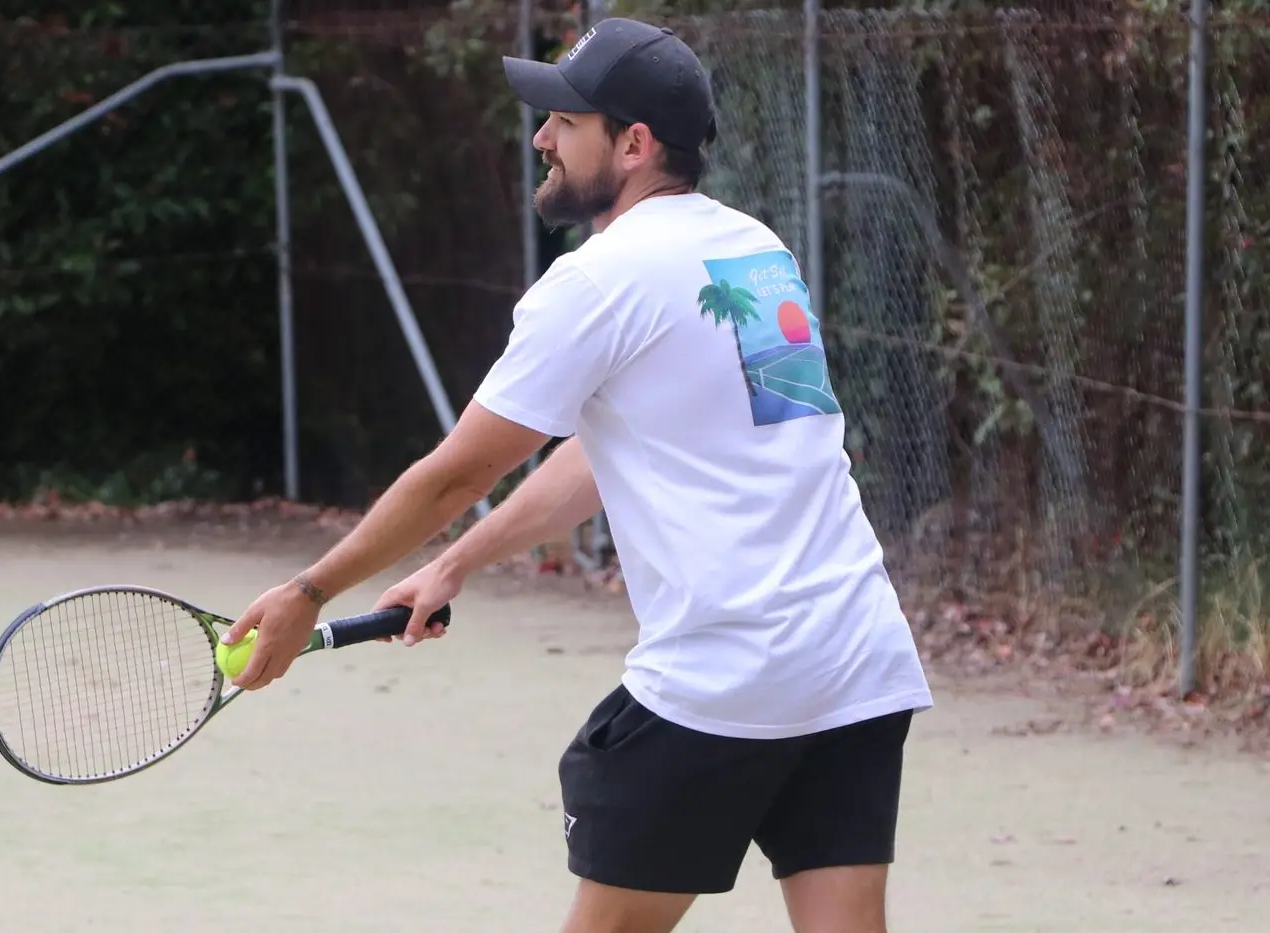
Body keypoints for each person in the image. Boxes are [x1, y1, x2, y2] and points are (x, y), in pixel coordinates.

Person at [223, 16, 933, 933]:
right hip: (855, 661)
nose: (542, 138)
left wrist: (308, 589)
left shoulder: (597, 282)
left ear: (634, 145)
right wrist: (456, 563)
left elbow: (453, 473)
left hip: (727, 677)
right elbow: (613, 450)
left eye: (566, 119)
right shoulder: (753, 251)